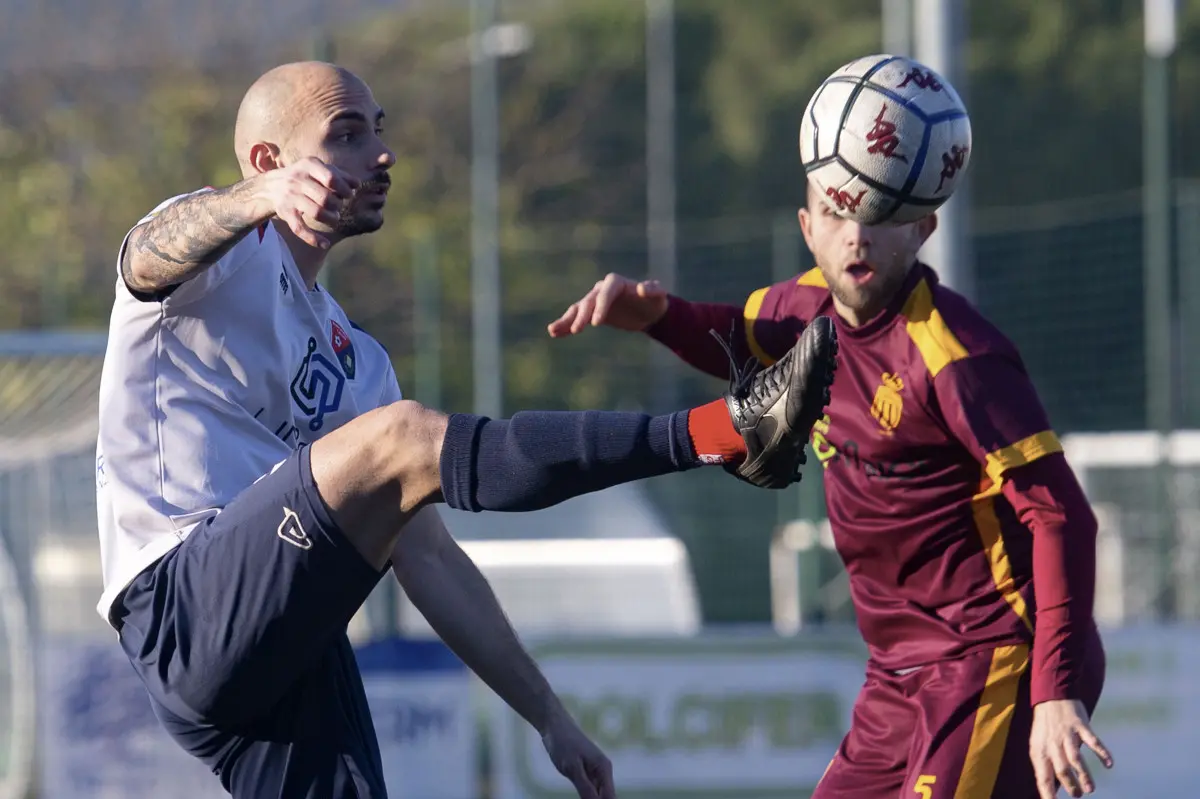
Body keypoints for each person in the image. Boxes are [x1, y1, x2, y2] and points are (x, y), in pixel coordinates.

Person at [96, 61, 839, 799]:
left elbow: (430, 559)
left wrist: (549, 717)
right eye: (347, 134)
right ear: (268, 159)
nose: (381, 154)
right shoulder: (216, 251)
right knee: (404, 437)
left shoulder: (358, 362)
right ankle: (723, 431)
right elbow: (144, 253)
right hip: (179, 602)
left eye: (378, 132)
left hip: (283, 643)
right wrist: (257, 197)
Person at [549, 179, 1113, 799]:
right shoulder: (801, 311)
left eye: (879, 216)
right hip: (895, 676)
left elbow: (1061, 517)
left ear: (923, 230)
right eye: (836, 212)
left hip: (994, 657)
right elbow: (744, 338)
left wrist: (1055, 691)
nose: (857, 234)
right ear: (806, 227)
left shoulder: (957, 357)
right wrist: (658, 318)